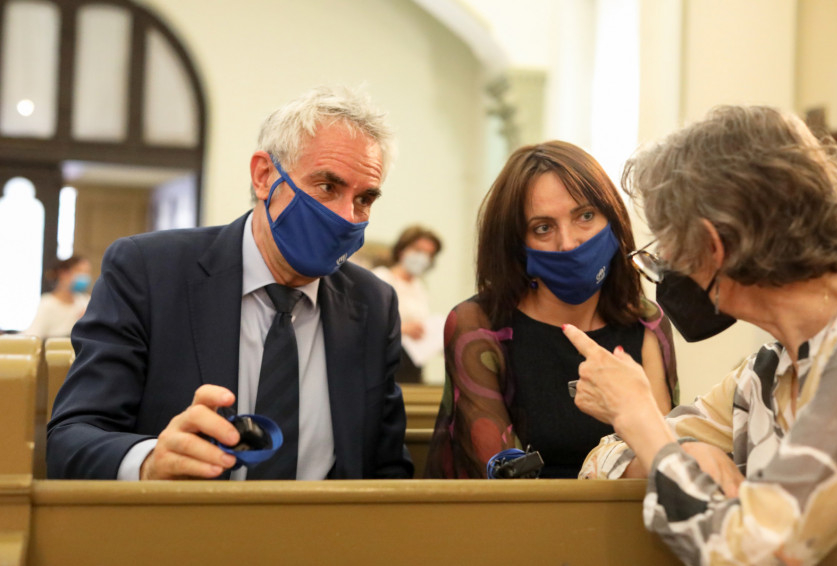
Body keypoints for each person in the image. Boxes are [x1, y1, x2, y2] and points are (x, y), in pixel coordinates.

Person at [47, 85, 413, 481]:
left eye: (364, 200)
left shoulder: (373, 304)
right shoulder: (148, 272)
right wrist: (151, 462)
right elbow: (71, 440)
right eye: (327, 187)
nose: (346, 216)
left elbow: (387, 469)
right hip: (181, 519)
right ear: (264, 176)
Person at [570, 105, 837, 565]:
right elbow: (602, 461)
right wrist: (688, 449)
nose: (665, 272)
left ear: (713, 246)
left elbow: (757, 552)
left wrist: (642, 420)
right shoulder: (763, 377)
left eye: (667, 251)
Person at [425, 140, 677, 479]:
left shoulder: (646, 321)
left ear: (613, 219)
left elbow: (663, 463)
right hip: (523, 511)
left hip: (626, 509)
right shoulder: (480, 324)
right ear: (518, 244)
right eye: (543, 228)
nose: (568, 243)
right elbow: (503, 477)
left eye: (585, 216)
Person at [372, 225, 443, 383]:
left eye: (429, 254)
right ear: (401, 250)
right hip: (384, 363)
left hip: (412, 363)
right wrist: (403, 328)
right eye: (418, 250)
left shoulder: (419, 286)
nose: (423, 258)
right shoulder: (381, 278)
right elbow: (366, 322)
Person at [24, 255, 91, 339]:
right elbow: (32, 336)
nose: (84, 277)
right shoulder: (47, 303)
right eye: (80, 271)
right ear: (64, 273)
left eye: (87, 272)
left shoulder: (85, 301)